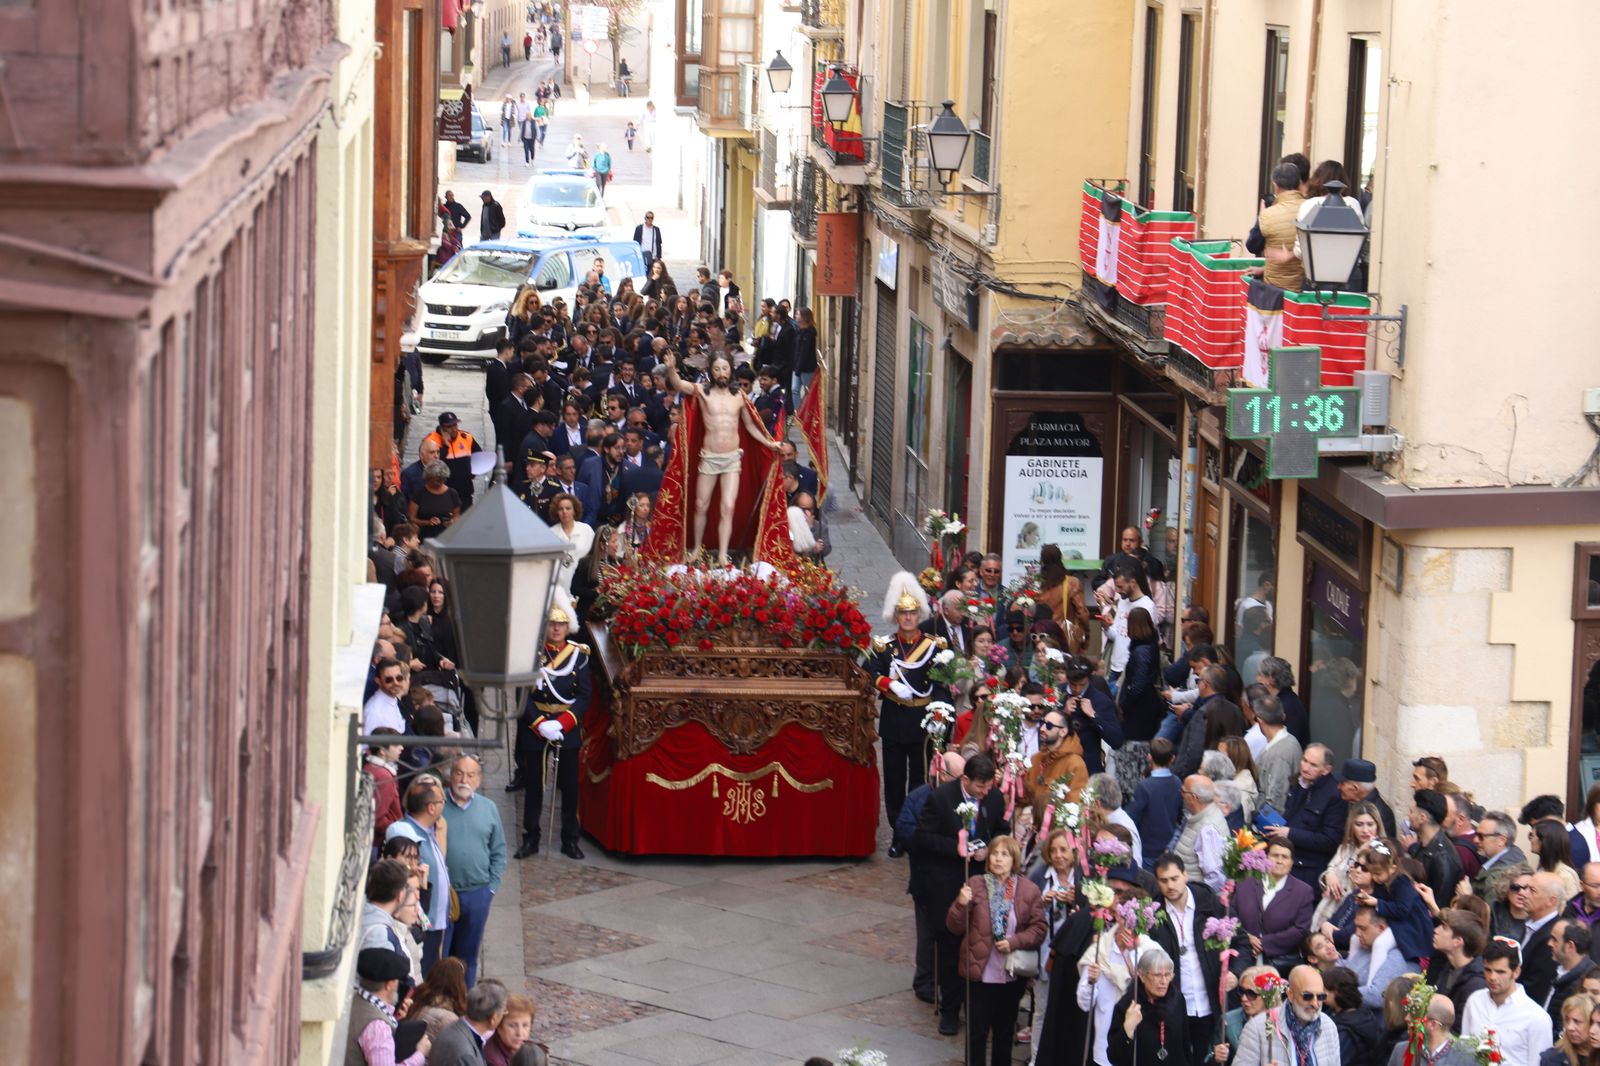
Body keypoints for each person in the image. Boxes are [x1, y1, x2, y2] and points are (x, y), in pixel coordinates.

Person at [915, 751, 1009, 1036]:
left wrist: (989, 848)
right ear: (965, 779)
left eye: (988, 786)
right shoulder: (941, 798)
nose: (984, 791)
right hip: (948, 883)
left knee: (980, 944)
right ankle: (950, 1011)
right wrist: (954, 848)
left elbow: (1002, 830)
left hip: (982, 879)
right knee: (950, 950)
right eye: (979, 786)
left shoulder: (992, 798)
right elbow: (922, 837)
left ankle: (978, 1010)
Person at [659, 351, 783, 563]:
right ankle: (696, 547)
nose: (721, 373)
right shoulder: (704, 392)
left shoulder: (740, 396)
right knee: (700, 504)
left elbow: (750, 426)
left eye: (725, 368)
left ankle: (724, 554)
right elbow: (680, 385)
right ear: (711, 371)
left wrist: (769, 443)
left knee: (728, 507)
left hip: (733, 459)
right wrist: (671, 369)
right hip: (709, 457)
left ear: (731, 370)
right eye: (717, 369)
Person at [946, 834, 1047, 1065]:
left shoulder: (1028, 890)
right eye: (994, 853)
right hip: (979, 974)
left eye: (1005, 854)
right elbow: (953, 926)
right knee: (977, 1034)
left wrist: (1015, 941)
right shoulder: (976, 884)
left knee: (1003, 1034)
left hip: (1010, 976)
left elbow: (1039, 929)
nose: (998, 859)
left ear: (1014, 860)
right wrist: (961, 904)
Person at [869, 573, 948, 851]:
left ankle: (913, 829)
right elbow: (870, 673)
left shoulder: (933, 645)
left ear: (919, 615)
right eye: (903, 613)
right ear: (896, 615)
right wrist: (888, 683)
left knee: (919, 779)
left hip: (922, 721)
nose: (908, 618)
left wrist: (939, 715)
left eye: (912, 613)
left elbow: (940, 683)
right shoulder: (885, 647)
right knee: (893, 780)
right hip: (894, 719)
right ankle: (897, 833)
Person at [1150, 855, 1247, 1064]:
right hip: (1174, 1004)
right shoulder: (1153, 912)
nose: (1170, 885)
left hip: (1211, 1002)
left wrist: (1235, 973)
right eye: (1164, 880)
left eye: (1175, 878)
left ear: (1185, 875)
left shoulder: (1211, 903)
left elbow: (1242, 942)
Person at [516, 590, 590, 860]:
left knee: (570, 787)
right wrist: (539, 724)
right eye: (552, 623)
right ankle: (530, 837)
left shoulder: (579, 656)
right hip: (537, 727)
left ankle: (570, 838)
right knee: (534, 785)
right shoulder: (532, 655)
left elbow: (584, 696)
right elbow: (522, 695)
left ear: (568, 626)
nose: (556, 628)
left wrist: (563, 723)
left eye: (561, 624)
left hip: (565, 727)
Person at [899, 751, 965, 1006]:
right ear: (942, 773)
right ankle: (925, 981)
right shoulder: (919, 798)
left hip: (953, 878)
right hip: (926, 877)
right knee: (927, 934)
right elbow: (907, 832)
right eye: (957, 777)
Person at [441, 756, 505, 987]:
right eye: (459, 773)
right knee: (440, 956)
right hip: (444, 893)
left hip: (477, 893)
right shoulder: (438, 806)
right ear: (451, 775)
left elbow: (499, 850)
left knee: (468, 955)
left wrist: (491, 889)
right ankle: (440, 1004)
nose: (464, 780)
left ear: (479, 780)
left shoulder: (488, 808)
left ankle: (465, 1001)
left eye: (470, 775)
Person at [1461, 938, 1556, 1062]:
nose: (1492, 977)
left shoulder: (1537, 1018)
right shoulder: (1474, 1001)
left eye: (1500, 972)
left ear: (1516, 972)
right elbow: (1463, 1051)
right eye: (1488, 970)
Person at [1267, 742, 1345, 887]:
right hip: (1285, 860)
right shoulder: (1297, 782)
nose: (1305, 767)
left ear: (1326, 770)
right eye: (1304, 761)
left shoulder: (1334, 795)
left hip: (1307, 870)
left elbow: (1330, 840)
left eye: (1313, 765)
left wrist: (1290, 833)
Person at [1232, 965, 1340, 1065]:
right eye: (1307, 996)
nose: (1315, 1003)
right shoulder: (1257, 1027)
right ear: (1290, 994)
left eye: (1321, 997)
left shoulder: (1328, 1026)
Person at [399, 779, 452, 975]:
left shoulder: (431, 830)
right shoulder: (405, 833)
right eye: (441, 802)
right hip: (419, 920)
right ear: (431, 808)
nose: (443, 806)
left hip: (433, 919)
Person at [1234, 839, 1314, 968]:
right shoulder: (1245, 882)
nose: (1279, 861)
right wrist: (1246, 937)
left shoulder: (1303, 891)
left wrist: (1263, 944)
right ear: (1265, 858)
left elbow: (1301, 929)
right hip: (1243, 957)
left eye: (1285, 857)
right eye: (1275, 855)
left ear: (1292, 862)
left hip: (1278, 963)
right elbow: (1231, 916)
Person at [346, 947, 430, 1065]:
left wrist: (395, 1021)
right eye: (397, 981)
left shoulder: (352, 999)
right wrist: (420, 1054)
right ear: (389, 984)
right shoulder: (378, 1027)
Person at [1106, 948, 1187, 1066]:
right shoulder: (1127, 1006)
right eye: (1158, 975)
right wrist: (1127, 1029)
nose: (1164, 981)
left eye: (1168, 975)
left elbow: (1185, 1045)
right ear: (1142, 976)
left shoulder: (1177, 1000)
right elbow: (1114, 1057)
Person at [1314, 800, 1385, 928]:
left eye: (1370, 824)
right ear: (1351, 826)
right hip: (1328, 908)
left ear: (1378, 826)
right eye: (1359, 824)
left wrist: (1365, 850)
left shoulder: (1381, 853)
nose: (1365, 830)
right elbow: (1330, 869)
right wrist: (1329, 876)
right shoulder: (1345, 848)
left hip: (1353, 912)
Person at [1126, 738, 1183, 872]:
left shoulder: (1145, 786)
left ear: (1149, 757)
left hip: (1148, 848)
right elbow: (1180, 814)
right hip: (1169, 844)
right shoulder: (1177, 782)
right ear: (1172, 758)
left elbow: (1132, 816)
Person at [1431, 907, 1489, 1029]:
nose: (1436, 930)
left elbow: (1460, 1030)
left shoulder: (1476, 984)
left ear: (1458, 941)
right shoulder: (1449, 967)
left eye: (1444, 928)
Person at [430, 979, 510, 1065]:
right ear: (493, 1018)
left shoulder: (453, 1028)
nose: (505, 1013)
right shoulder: (465, 1054)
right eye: (504, 1011)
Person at [1409, 788, 1466, 906]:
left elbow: (1440, 904)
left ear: (1422, 818)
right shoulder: (1423, 847)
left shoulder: (1443, 858)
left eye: (1411, 812)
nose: (1408, 816)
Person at [1255, 161, 1307, 291]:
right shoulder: (1311, 208)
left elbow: (1253, 245)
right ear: (1300, 184)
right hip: (1304, 287)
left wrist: (1260, 218)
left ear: (1276, 186)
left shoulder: (1268, 214)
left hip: (1275, 287)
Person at [1385, 994, 1477, 1066]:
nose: (1407, 1018)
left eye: (1415, 1015)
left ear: (1433, 1024)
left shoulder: (1468, 1058)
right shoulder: (1400, 1051)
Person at [1175, 774, 1229, 894]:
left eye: (1183, 791)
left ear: (1193, 797)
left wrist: (1202, 902)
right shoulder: (1201, 816)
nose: (1181, 795)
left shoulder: (1208, 829)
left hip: (1195, 899)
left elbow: (1215, 877)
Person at [1336, 758, 1399, 839]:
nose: (1338, 787)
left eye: (1342, 784)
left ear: (1355, 788)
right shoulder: (1350, 803)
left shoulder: (1380, 814)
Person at [484, 994, 537, 1066]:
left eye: (525, 1025)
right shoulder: (495, 1062)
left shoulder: (521, 1049)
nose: (520, 1033)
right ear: (499, 1027)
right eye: (512, 1026)